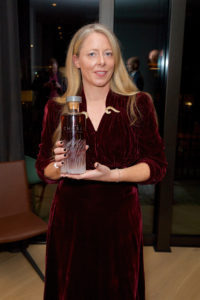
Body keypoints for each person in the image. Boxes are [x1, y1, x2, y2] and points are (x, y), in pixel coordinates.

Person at [36, 23, 167, 300]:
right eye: (92, 54)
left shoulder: (138, 103)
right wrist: (59, 165)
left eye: (108, 53)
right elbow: (44, 170)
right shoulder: (58, 107)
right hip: (71, 221)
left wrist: (116, 175)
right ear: (76, 60)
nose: (102, 62)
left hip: (120, 220)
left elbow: (157, 166)